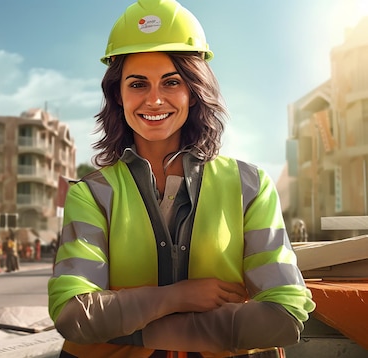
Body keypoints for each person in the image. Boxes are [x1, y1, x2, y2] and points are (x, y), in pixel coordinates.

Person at [47, 1, 316, 357]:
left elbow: (284, 315)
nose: (154, 99)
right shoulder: (92, 194)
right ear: (118, 95)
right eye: (138, 83)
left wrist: (131, 324)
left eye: (171, 82)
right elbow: (74, 315)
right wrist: (178, 296)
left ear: (193, 90)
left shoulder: (250, 186)